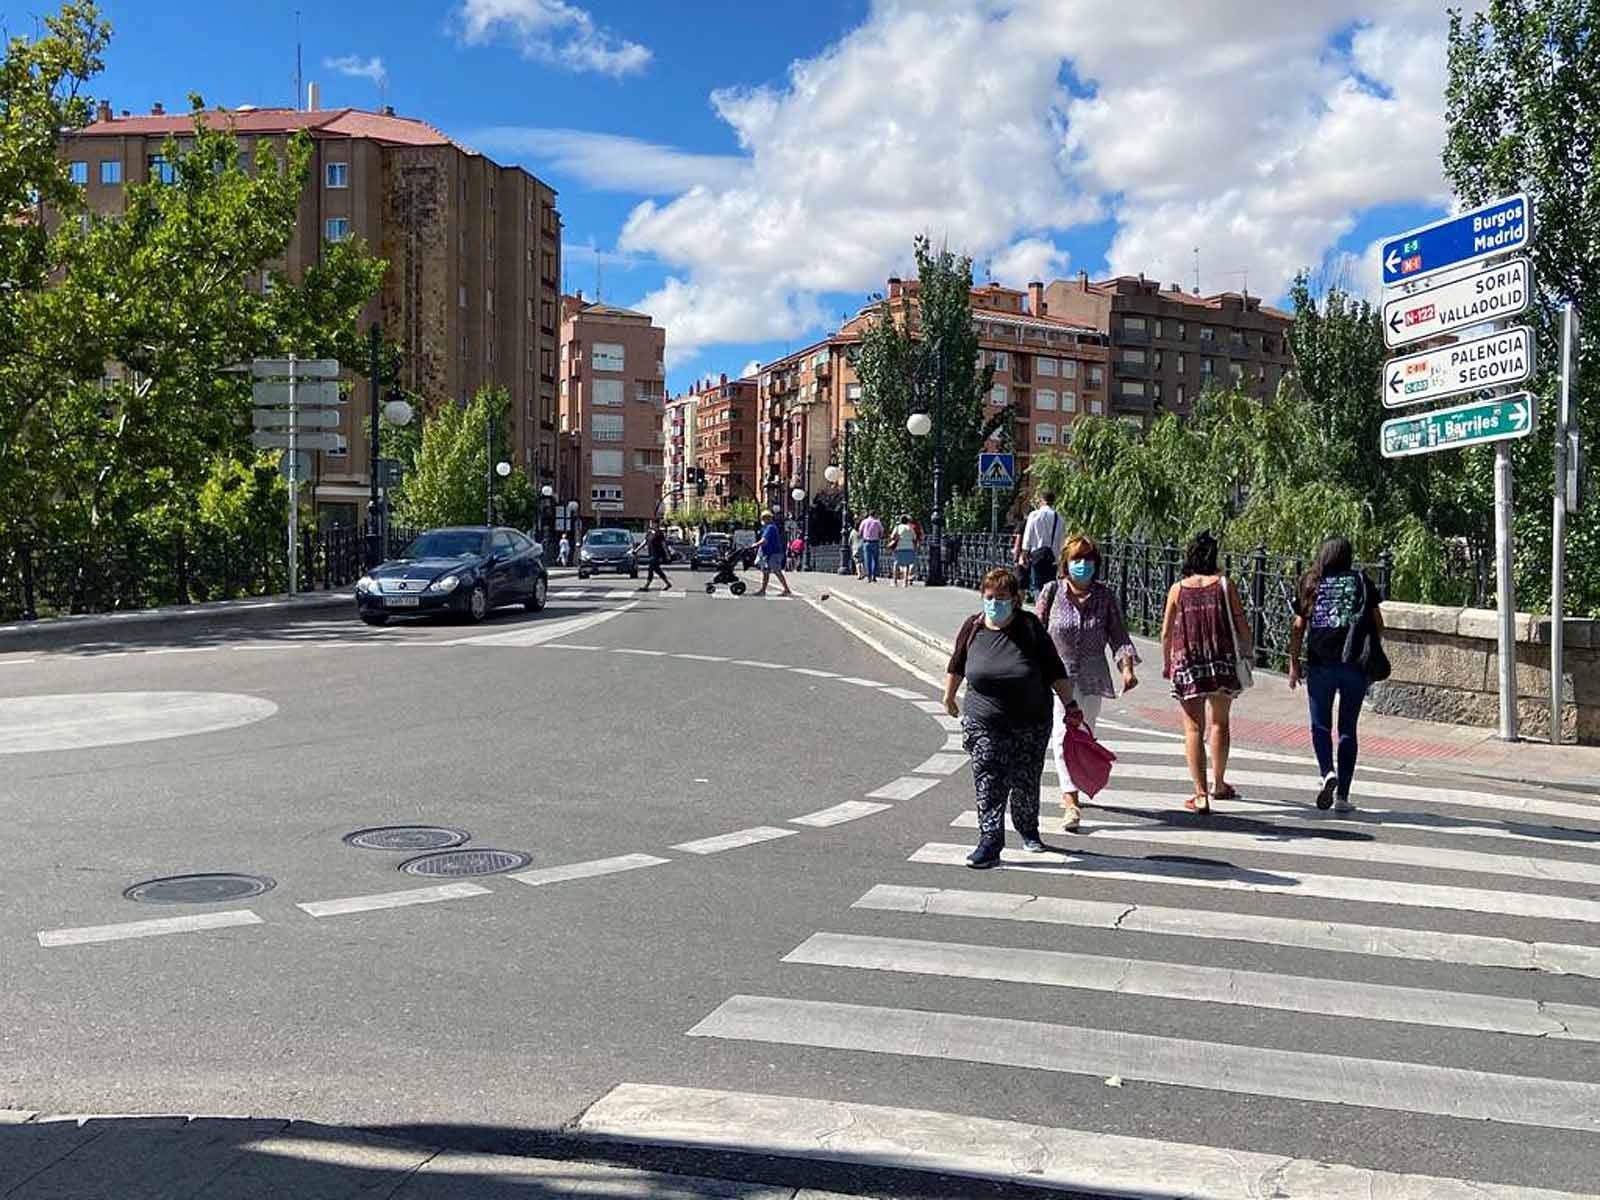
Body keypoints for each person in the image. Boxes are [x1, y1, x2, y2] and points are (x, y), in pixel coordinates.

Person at [944, 567, 1077, 869]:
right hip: (984, 718)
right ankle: (990, 842)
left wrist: (1070, 704)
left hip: (1030, 720)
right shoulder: (974, 626)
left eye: (1001, 597)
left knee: (1025, 780)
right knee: (988, 778)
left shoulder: (1029, 627)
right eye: (989, 597)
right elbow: (957, 664)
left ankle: (1028, 828)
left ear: (1015, 599)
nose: (994, 602)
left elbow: (1055, 668)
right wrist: (949, 696)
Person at [1036, 534, 1139, 831]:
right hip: (1058, 676)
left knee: (1084, 733)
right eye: (1077, 560)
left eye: (1088, 560)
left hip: (1093, 676)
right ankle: (1070, 801)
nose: (1083, 565)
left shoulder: (1105, 597)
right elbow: (1036, 632)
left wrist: (1127, 669)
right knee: (1061, 732)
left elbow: (1119, 636)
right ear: (1065, 563)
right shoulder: (1051, 592)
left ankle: (1077, 782)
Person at [1287, 536, 1385, 813]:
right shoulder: (1361, 581)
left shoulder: (1310, 582)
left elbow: (1297, 627)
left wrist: (1294, 662)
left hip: (1320, 663)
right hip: (1354, 663)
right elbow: (1378, 623)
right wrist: (1370, 650)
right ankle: (1342, 797)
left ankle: (1327, 772)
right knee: (1347, 730)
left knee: (1320, 725)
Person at [1159, 531, 1252, 813]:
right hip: (1221, 661)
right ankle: (1219, 783)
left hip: (1187, 662)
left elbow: (1165, 632)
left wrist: (1166, 664)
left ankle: (1200, 795)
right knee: (1220, 722)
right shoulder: (1225, 585)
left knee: (1193, 728)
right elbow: (1240, 622)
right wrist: (1248, 652)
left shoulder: (1178, 589)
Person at [1014, 492, 1065, 600]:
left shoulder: (1034, 515)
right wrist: (1059, 557)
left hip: (1037, 554)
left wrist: (1024, 552)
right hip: (1052, 556)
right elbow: (1061, 539)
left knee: (1037, 584)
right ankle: (1048, 607)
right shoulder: (1059, 517)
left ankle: (1040, 607)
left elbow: (1028, 534)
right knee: (1050, 585)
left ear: (1041, 500)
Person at [754, 510, 791, 597]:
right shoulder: (768, 527)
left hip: (774, 553)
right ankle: (763, 590)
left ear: (767, 519)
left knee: (777, 571)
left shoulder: (770, 527)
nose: (762, 520)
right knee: (766, 571)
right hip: (768, 553)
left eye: (763, 518)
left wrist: (755, 545)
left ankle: (786, 589)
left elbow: (764, 540)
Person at [888, 513, 919, 587]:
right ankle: (905, 582)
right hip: (909, 547)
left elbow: (892, 536)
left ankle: (894, 582)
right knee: (907, 564)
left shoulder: (898, 527)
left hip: (899, 547)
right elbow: (914, 537)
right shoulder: (910, 528)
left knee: (896, 564)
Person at [639, 523, 672, 591]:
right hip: (651, 554)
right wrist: (636, 550)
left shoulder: (659, 534)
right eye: (652, 524)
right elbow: (644, 542)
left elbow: (663, 545)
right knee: (657, 570)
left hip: (658, 555)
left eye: (655, 525)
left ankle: (646, 586)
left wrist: (667, 554)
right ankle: (668, 583)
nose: (653, 526)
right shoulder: (649, 533)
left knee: (651, 568)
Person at [859, 511, 885, 582]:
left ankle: (869, 576)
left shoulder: (864, 522)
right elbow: (882, 531)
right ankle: (874, 576)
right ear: (875, 514)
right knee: (875, 559)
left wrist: (863, 537)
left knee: (867, 560)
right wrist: (879, 536)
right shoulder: (877, 522)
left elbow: (860, 531)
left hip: (866, 542)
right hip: (875, 542)